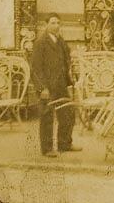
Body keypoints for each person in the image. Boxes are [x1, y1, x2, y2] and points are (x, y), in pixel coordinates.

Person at [29, 14, 81, 157]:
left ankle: (65, 144)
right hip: (47, 87)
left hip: (61, 84)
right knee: (47, 117)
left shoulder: (60, 41)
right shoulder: (41, 42)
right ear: (46, 25)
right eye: (53, 23)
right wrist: (42, 88)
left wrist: (70, 80)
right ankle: (47, 149)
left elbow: (67, 58)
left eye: (58, 22)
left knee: (67, 113)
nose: (56, 25)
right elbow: (35, 68)